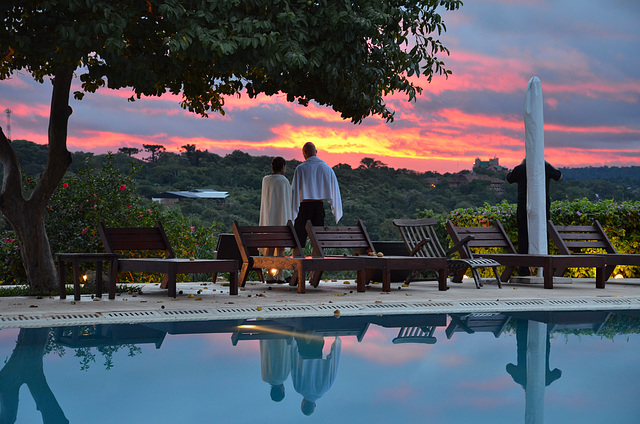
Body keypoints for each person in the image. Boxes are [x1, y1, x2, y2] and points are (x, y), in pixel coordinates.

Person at [506, 159, 562, 276]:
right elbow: (559, 175)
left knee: (523, 236)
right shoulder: (545, 168)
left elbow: (509, 178)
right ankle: (545, 268)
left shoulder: (520, 169)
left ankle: (524, 269)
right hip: (542, 207)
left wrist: (522, 164)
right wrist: (546, 162)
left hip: (523, 206)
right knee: (543, 235)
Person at [291, 142, 342, 248]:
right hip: (319, 207)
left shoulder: (301, 168)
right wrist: (335, 209)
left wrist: (292, 211)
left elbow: (294, 191)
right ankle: (316, 261)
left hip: (304, 207)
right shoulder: (327, 168)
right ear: (316, 152)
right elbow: (335, 190)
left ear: (304, 153)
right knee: (317, 243)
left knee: (298, 242)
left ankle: (297, 262)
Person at [259, 156, 292, 282]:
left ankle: (269, 275)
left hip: (269, 219)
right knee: (281, 248)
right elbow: (289, 199)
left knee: (270, 247)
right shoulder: (284, 181)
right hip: (281, 218)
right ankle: (280, 275)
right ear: (283, 167)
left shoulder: (265, 180)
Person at [290, 334, 341, 416]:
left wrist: (336, 343)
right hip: (302, 349)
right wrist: (293, 345)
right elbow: (294, 368)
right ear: (302, 404)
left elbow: (332, 367)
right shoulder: (299, 389)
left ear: (314, 405)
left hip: (317, 348)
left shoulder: (325, 388)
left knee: (316, 329)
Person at [259, 338, 293, 402]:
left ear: (282, 390)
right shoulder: (265, 377)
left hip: (280, 338)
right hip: (266, 339)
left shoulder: (282, 377)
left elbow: (287, 357)